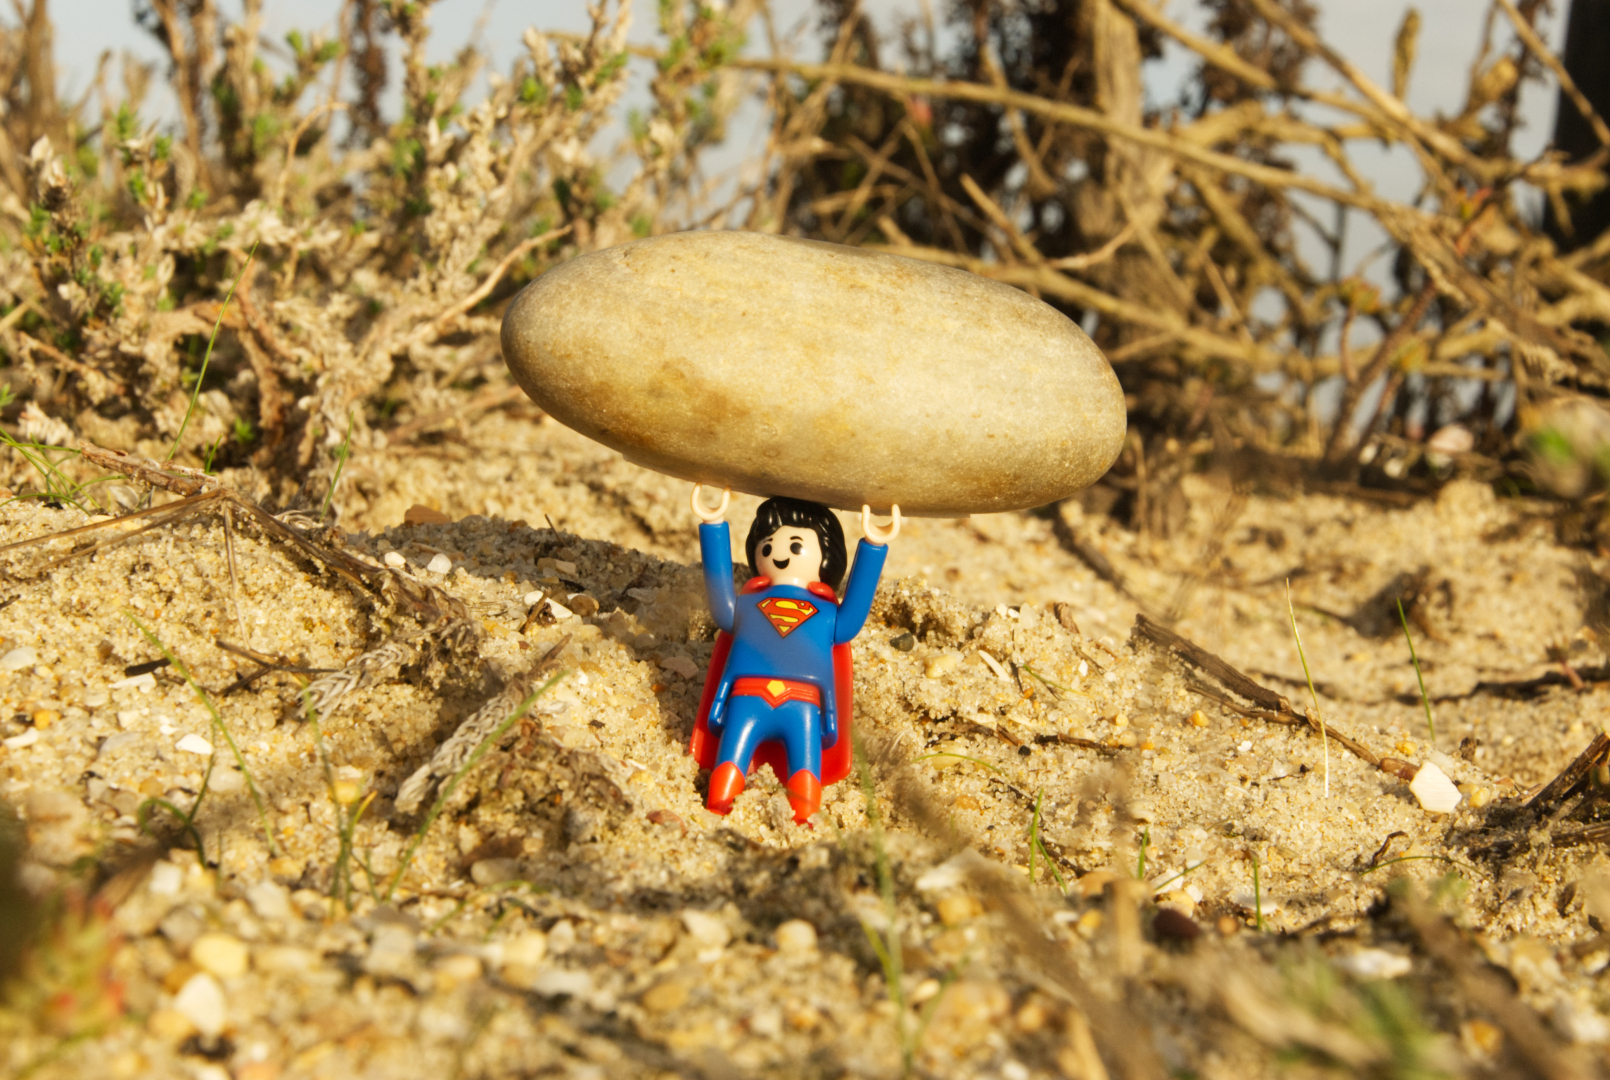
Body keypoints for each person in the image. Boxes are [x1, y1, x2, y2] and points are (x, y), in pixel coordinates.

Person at [688, 486, 900, 822]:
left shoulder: (826, 614)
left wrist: (873, 546)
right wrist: (713, 524)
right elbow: (720, 607)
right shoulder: (747, 605)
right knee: (731, 760)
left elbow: (853, 618)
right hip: (748, 696)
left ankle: (804, 819)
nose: (779, 554)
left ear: (826, 556)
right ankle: (718, 807)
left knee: (804, 766)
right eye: (768, 545)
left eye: (796, 546)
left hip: (802, 703)